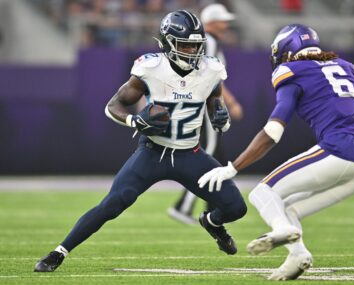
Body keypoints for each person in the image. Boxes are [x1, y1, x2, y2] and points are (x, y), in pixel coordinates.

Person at [34, 10, 247, 273]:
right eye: (186, 45)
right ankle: (59, 252)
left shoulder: (211, 70)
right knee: (113, 204)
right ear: (168, 44)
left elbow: (217, 106)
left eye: (196, 45)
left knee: (236, 207)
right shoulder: (150, 68)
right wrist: (134, 122)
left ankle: (212, 222)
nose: (192, 51)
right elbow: (114, 105)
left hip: (190, 154)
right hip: (152, 152)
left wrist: (221, 118)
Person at [198, 24, 354, 280]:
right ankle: (299, 256)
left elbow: (273, 132)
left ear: (287, 52)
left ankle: (280, 231)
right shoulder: (343, 69)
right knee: (288, 208)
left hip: (337, 151)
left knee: (262, 192)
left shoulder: (291, 71)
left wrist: (233, 167)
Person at [168, 3, 244, 225]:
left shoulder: (210, 42)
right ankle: (183, 206)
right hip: (203, 105)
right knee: (207, 153)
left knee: (216, 158)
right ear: (210, 22)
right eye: (222, 20)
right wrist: (229, 103)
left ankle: (214, 207)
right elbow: (209, 76)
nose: (226, 24)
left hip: (199, 102)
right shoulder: (207, 42)